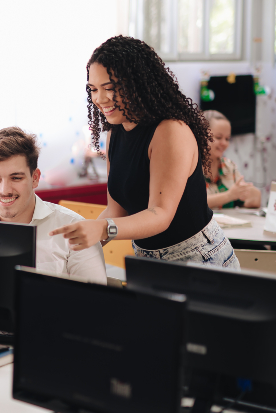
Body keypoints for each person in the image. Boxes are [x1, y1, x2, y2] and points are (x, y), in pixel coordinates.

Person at [49, 36, 239, 269]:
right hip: (146, 258)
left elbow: (160, 214)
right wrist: (74, 249)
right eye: (93, 89)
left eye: (109, 88)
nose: (100, 99)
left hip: (199, 258)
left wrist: (101, 228)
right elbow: (115, 210)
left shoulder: (170, 131)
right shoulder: (116, 133)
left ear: (137, 83)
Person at [0, 126, 107, 284]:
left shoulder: (75, 229)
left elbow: (94, 305)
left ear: (35, 178)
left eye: (16, 178)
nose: (4, 190)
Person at [202, 110, 261, 209]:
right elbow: (192, 204)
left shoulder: (229, 166)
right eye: (218, 137)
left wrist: (249, 195)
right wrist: (230, 195)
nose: (224, 143)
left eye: (227, 139)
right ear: (202, 135)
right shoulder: (191, 167)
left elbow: (253, 198)